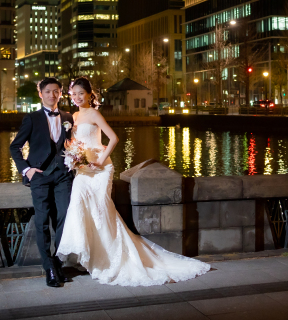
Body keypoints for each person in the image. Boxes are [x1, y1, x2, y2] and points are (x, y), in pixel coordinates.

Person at [56, 76, 210, 286]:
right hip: (83, 170)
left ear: (90, 94)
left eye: (80, 93)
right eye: (73, 94)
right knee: (80, 207)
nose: (76, 97)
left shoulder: (93, 113)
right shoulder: (74, 115)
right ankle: (86, 256)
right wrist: (74, 156)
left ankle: (108, 258)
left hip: (100, 169)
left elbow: (113, 138)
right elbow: (76, 142)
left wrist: (100, 161)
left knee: (101, 210)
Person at [10, 77, 74, 288]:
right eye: (48, 91)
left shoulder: (68, 117)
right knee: (42, 220)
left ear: (60, 93)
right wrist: (27, 170)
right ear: (41, 93)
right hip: (40, 176)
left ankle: (57, 262)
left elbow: (71, 145)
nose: (52, 95)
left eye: (56, 91)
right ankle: (49, 268)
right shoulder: (32, 118)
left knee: (64, 217)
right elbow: (15, 147)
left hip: (63, 175)